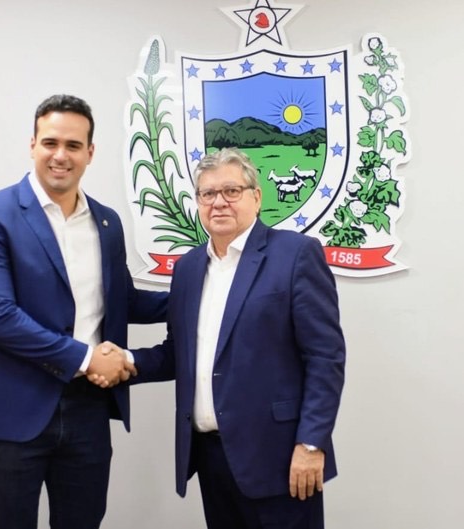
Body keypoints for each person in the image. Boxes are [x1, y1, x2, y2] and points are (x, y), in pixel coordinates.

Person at [0, 94, 169, 529]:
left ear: (90, 152)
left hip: (87, 410)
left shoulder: (107, 223)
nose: (61, 155)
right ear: (32, 145)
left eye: (73, 145)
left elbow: (123, 301)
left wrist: (202, 293)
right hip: (13, 409)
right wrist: (89, 358)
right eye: (50, 142)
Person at [128, 147, 346, 529]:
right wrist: (126, 362)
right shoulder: (188, 268)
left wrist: (311, 443)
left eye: (231, 191)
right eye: (208, 193)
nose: (219, 202)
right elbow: (179, 354)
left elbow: (325, 359)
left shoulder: (295, 255)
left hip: (281, 458)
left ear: (256, 197)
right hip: (212, 458)